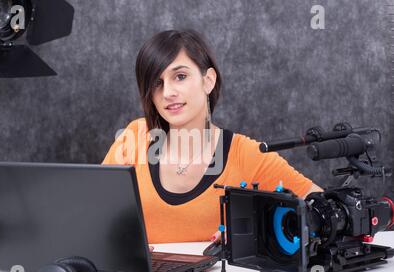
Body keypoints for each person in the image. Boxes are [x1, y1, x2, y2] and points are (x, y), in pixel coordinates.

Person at [102, 29, 322, 244]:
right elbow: (94, 215)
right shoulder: (134, 137)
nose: (168, 92)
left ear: (208, 80)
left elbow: (321, 208)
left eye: (180, 76)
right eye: (157, 83)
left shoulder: (245, 155)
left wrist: (260, 233)